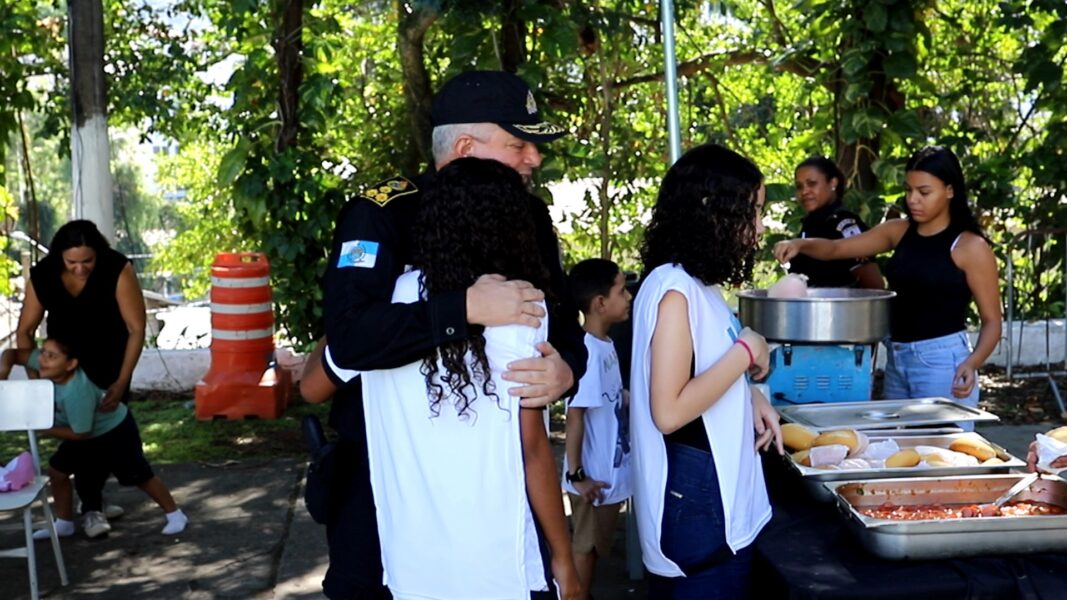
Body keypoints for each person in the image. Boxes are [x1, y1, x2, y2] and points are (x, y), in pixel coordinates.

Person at [312, 70, 588, 598]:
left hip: (495, 483)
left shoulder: (526, 215)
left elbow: (562, 321)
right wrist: (461, 308)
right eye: (518, 143)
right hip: (383, 473)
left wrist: (566, 369)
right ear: (464, 146)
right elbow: (350, 337)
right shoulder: (382, 214)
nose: (534, 157)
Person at [360, 157, 579, 598]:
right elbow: (533, 451)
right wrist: (564, 558)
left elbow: (313, 382)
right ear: (510, 226)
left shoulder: (388, 307)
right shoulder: (519, 311)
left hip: (410, 564)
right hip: (499, 564)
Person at [630, 144, 783, 598]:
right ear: (714, 213)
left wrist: (751, 396)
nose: (759, 226)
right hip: (697, 495)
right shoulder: (676, 291)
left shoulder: (697, 284)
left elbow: (701, 371)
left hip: (709, 488)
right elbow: (670, 410)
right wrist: (745, 349)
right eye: (752, 212)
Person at [774, 146, 1002, 423]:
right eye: (909, 190)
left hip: (942, 363)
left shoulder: (969, 246)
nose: (913, 199)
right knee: (900, 445)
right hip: (897, 357)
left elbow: (992, 321)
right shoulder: (899, 231)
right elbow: (836, 249)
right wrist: (799, 244)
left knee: (943, 453)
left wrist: (972, 363)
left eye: (924, 192)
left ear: (950, 190)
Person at [16, 219, 146, 531]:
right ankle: (91, 502)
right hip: (64, 370)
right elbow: (25, 330)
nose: (80, 269)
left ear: (98, 254)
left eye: (87, 261)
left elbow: (136, 328)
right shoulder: (44, 274)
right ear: (59, 255)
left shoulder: (116, 267)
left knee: (97, 432)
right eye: (72, 262)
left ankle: (90, 505)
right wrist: (37, 382)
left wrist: (122, 380)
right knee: (82, 434)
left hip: (109, 367)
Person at [0, 337, 186, 539]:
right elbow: (12, 354)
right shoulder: (47, 363)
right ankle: (64, 524)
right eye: (43, 352)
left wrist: (41, 427)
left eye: (51, 355)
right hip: (86, 432)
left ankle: (175, 514)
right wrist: (3, 369)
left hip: (113, 432)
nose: (42, 359)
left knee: (139, 476)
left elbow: (81, 434)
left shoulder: (77, 392)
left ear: (71, 364)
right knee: (57, 471)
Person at [561, 258, 633, 592]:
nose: (629, 296)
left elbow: (611, 397)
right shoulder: (587, 351)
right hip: (590, 480)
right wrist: (578, 476)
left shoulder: (605, 345)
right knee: (585, 549)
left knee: (595, 546)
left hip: (604, 474)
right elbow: (575, 416)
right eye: (622, 290)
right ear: (600, 303)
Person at [789, 157, 884, 289]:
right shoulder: (810, 224)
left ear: (833, 183)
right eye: (799, 186)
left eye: (812, 183)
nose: (804, 191)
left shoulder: (844, 223)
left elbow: (874, 284)